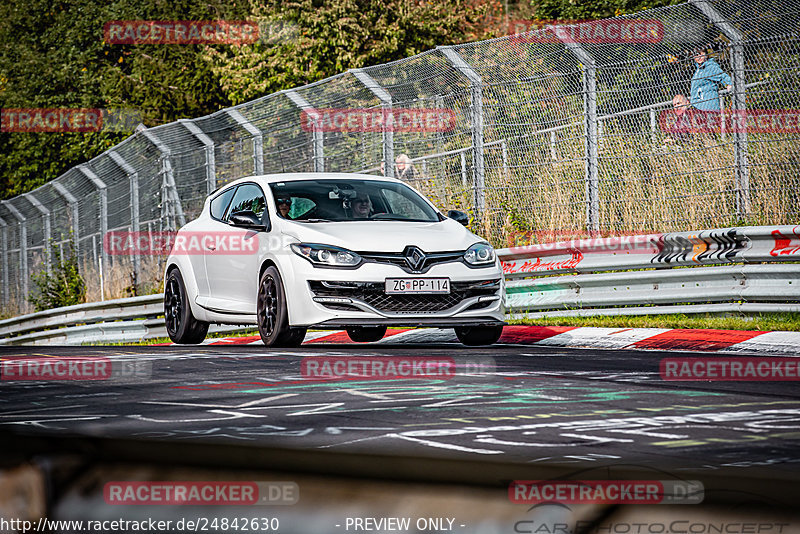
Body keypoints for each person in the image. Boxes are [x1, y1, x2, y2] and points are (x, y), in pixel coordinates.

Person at [690, 47, 732, 112]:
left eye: (700, 54)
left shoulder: (710, 66)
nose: (698, 57)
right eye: (696, 55)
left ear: (705, 54)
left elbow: (722, 76)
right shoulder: (699, 69)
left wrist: (729, 84)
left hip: (708, 105)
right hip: (699, 105)